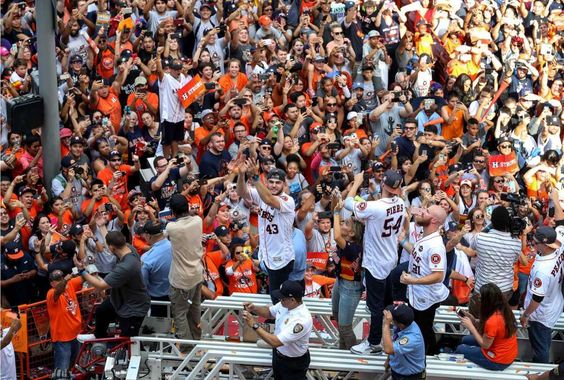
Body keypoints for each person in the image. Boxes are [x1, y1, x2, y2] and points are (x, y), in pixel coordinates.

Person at [344, 170, 406, 355]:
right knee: (387, 302)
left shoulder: (376, 206)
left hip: (376, 263)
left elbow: (348, 203)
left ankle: (373, 343)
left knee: (375, 306)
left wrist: (356, 183)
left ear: (384, 185)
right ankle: (387, 335)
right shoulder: (401, 203)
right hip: (390, 258)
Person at [237, 160, 296, 303]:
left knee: (279, 299)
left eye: (278, 182)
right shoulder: (262, 194)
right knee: (274, 296)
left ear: (284, 184)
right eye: (271, 182)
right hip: (267, 254)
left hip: (281, 257)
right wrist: (240, 174)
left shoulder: (287, 200)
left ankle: (281, 322)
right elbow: (241, 192)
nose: (274, 185)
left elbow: (269, 200)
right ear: (267, 182)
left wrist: (256, 177)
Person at [73, 231, 150, 338]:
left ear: (112, 247)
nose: (106, 249)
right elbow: (111, 236)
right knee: (102, 311)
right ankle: (98, 335)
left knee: (128, 340)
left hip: (132, 308)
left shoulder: (126, 266)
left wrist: (82, 271)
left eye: (107, 246)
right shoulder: (128, 247)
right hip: (120, 298)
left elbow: (100, 285)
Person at [398, 205, 449, 355]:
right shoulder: (426, 236)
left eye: (426, 212)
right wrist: (402, 241)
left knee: (423, 331)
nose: (421, 212)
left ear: (433, 220)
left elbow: (438, 276)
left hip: (426, 298)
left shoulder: (435, 246)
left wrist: (412, 281)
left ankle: (428, 360)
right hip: (417, 294)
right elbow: (417, 253)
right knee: (419, 330)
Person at [242, 280, 313, 380]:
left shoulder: (301, 320)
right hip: (278, 355)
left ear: (292, 300)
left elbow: (275, 342)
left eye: (283, 298)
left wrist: (254, 325)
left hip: (293, 363)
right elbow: (270, 313)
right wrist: (254, 308)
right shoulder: (285, 304)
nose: (280, 300)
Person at [520, 226, 564, 363]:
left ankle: (541, 373)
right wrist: (537, 254)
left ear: (544, 244)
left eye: (535, 243)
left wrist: (526, 315)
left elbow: (537, 299)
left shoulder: (542, 271)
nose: (532, 245)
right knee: (543, 343)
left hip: (541, 315)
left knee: (541, 349)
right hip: (555, 302)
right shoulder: (559, 247)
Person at [469, 207, 522, 317]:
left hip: (482, 290)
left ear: (491, 221)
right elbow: (514, 260)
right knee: (499, 321)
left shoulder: (480, 237)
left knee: (477, 321)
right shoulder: (516, 242)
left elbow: (472, 245)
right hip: (504, 290)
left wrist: (489, 227)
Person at [166, 194, 203, 344]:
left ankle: (187, 348)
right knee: (195, 308)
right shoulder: (198, 221)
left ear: (172, 212)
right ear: (188, 207)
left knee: (180, 313)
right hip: (197, 274)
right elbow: (193, 217)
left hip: (181, 279)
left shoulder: (171, 227)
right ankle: (196, 340)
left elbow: (168, 235)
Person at [455, 283, 518, 370]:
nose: (478, 299)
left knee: (460, 348)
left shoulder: (492, 320)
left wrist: (471, 327)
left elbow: (485, 345)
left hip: (497, 361)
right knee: (465, 339)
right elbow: (490, 331)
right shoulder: (504, 310)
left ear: (487, 301)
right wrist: (473, 321)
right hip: (507, 353)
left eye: (480, 298)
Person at [46, 270, 84, 373]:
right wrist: (66, 280)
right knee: (62, 371)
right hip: (62, 339)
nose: (62, 281)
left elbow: (84, 277)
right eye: (58, 280)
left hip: (76, 334)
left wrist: (82, 268)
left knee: (74, 365)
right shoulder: (51, 293)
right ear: (52, 283)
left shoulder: (69, 284)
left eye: (62, 278)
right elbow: (58, 291)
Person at [382, 303, 426, 380]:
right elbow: (394, 341)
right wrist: (388, 360)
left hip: (409, 377)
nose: (392, 322)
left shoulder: (412, 338)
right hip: (398, 371)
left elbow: (388, 349)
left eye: (393, 320)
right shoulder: (406, 323)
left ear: (401, 324)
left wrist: (386, 325)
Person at [140, 221, 172, 318]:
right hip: (178, 296)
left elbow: (142, 285)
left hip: (158, 302)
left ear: (148, 236)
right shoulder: (177, 246)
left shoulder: (147, 258)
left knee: (160, 329)